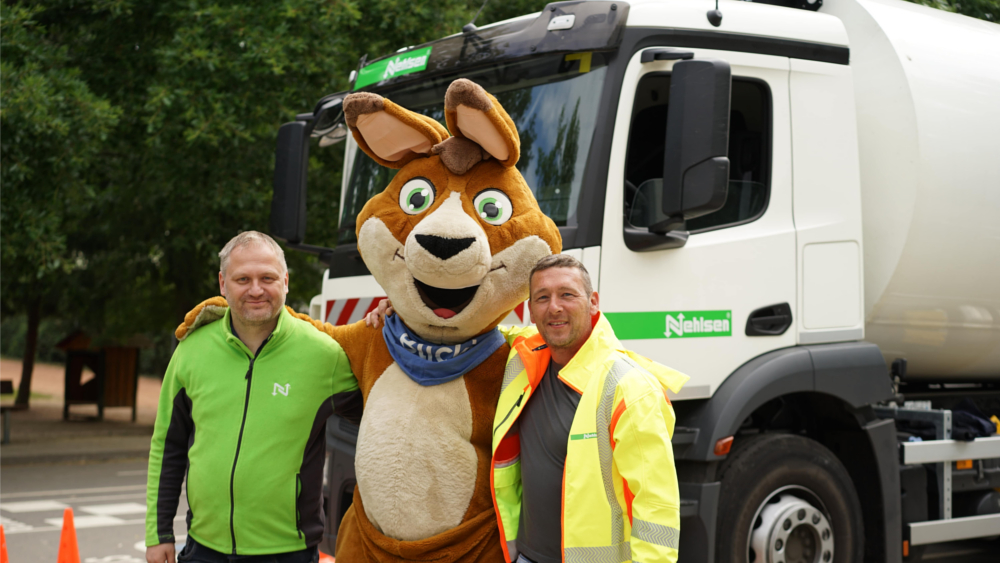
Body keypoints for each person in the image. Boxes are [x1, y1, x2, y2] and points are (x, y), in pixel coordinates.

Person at [367, 254, 687, 563]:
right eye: (542, 298)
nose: (555, 308)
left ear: (593, 303)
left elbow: (655, 507)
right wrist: (407, 312)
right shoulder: (522, 354)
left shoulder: (629, 388)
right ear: (530, 311)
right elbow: (466, 332)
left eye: (567, 294)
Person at [145, 231, 358, 563]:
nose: (256, 289)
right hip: (203, 550)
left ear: (285, 281)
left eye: (267, 278)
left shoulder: (324, 355)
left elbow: (380, 411)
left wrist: (391, 322)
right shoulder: (192, 349)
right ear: (222, 284)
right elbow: (167, 445)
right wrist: (159, 535)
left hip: (287, 553)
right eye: (242, 278)